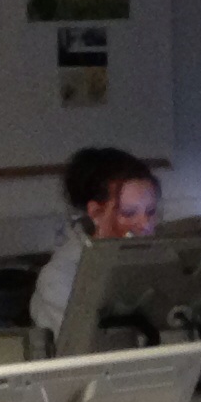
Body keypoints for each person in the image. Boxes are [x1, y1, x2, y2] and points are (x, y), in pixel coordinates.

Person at [31, 146, 161, 341]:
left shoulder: (154, 261)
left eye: (150, 212)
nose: (146, 225)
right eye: (128, 213)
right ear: (96, 213)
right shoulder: (60, 278)